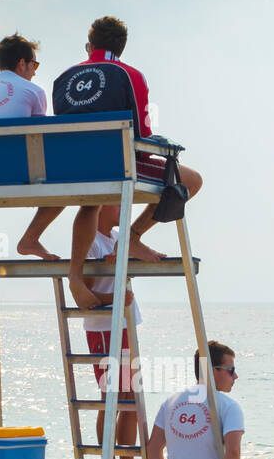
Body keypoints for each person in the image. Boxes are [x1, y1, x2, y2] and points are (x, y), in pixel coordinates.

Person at [52, 15, 204, 309]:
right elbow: (142, 134)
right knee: (191, 179)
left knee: (90, 201)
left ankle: (75, 276)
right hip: (117, 166)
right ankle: (132, 237)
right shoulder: (129, 74)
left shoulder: (64, 77)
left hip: (71, 170)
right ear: (122, 46)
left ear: (90, 44)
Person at [0, 33, 64, 261]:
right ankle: (31, 238)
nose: (35, 71)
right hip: (12, 173)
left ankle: (30, 240)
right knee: (73, 181)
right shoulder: (33, 91)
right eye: (34, 64)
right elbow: (41, 139)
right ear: (22, 64)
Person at [83, 204, 144, 459]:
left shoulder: (119, 235)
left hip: (125, 323)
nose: (123, 208)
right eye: (118, 203)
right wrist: (106, 267)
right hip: (104, 326)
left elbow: (139, 249)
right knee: (112, 397)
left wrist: (152, 256)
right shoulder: (89, 238)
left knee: (132, 397)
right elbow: (84, 288)